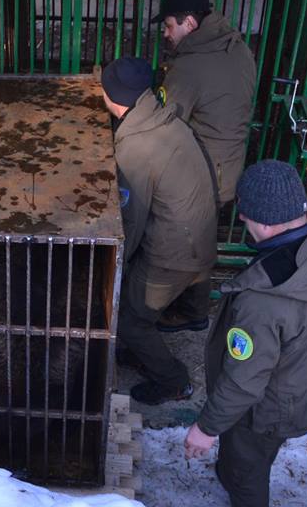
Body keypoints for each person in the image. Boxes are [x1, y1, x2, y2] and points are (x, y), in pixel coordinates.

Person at [183, 160, 307, 507]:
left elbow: (244, 380)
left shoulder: (263, 303)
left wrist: (205, 429)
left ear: (266, 223)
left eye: (246, 215)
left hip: (268, 410)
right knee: (254, 454)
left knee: (247, 470)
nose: (241, 220)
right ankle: (230, 469)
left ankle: (236, 478)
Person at [100, 57, 218, 405]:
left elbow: (130, 223)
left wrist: (112, 267)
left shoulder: (136, 147)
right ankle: (143, 353)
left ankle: (173, 381)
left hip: (175, 255)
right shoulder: (164, 119)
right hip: (198, 239)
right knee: (137, 303)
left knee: (128, 318)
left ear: (114, 97)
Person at [153, 0, 257, 333]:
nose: (165, 34)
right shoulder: (237, 47)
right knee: (201, 239)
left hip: (199, 175)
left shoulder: (191, 67)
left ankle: (176, 308)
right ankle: (193, 309)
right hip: (227, 170)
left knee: (178, 241)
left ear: (190, 24)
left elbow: (165, 122)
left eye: (169, 26)